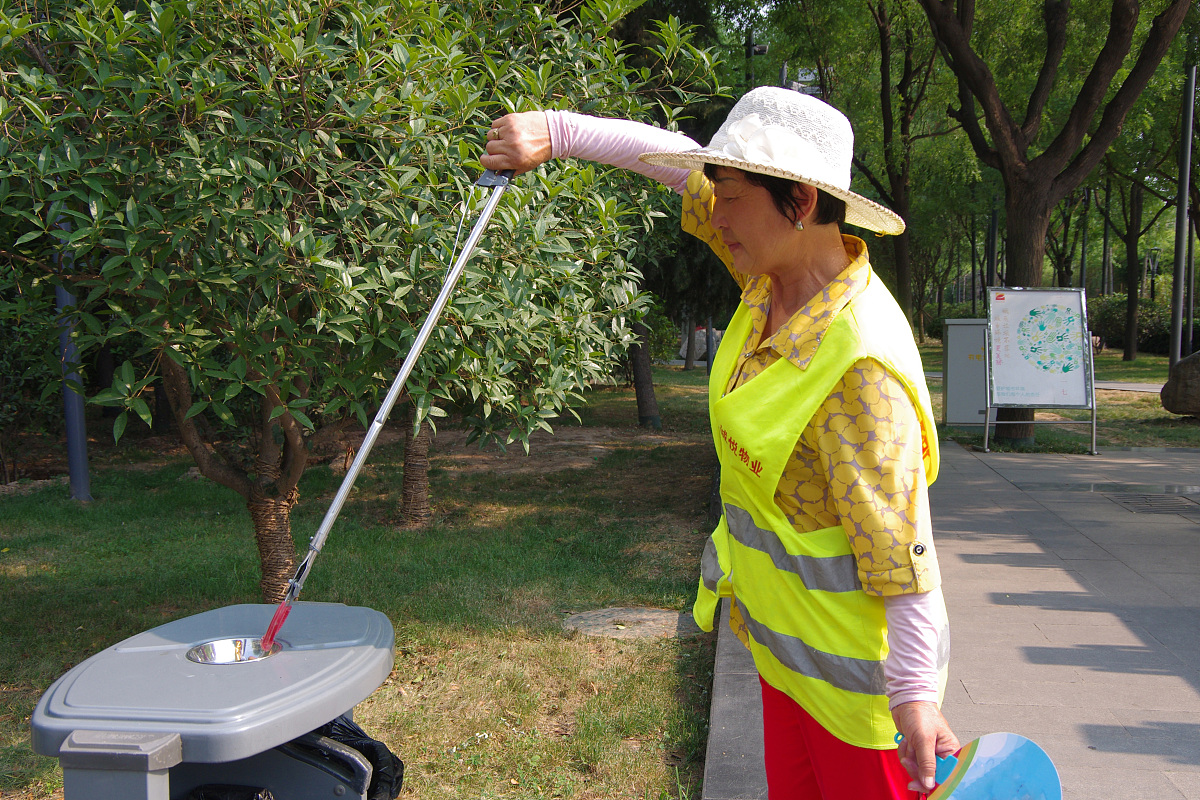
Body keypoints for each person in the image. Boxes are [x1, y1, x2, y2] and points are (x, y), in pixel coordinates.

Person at [481, 87, 958, 800]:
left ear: (800, 202)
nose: (714, 212)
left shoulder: (860, 366)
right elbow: (671, 163)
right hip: (781, 659)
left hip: (861, 702)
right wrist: (556, 132)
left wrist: (915, 698)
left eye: (729, 196)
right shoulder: (770, 280)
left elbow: (902, 545)